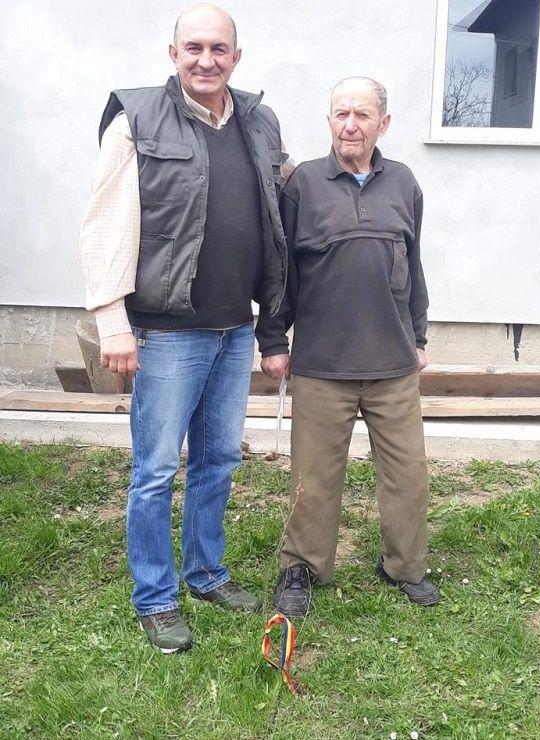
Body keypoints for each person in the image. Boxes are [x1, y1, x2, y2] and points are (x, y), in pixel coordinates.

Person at [79, 3, 289, 653]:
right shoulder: (136, 119)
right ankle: (155, 597)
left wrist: (273, 324)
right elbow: (106, 224)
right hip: (167, 332)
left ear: (236, 57)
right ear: (173, 54)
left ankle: (205, 573)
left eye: (219, 49)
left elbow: (277, 217)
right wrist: (112, 323)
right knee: (154, 471)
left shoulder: (259, 121)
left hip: (234, 328)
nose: (206, 59)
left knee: (219, 460)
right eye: (193, 47)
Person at [257, 77, 440, 618]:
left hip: (393, 365)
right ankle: (301, 567)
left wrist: (418, 335)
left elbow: (413, 265)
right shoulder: (304, 185)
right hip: (321, 364)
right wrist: (274, 339)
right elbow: (281, 270)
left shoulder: (403, 182)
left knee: (408, 477)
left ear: (384, 123)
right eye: (341, 114)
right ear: (329, 120)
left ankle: (404, 566)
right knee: (313, 480)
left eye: (362, 115)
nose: (351, 125)